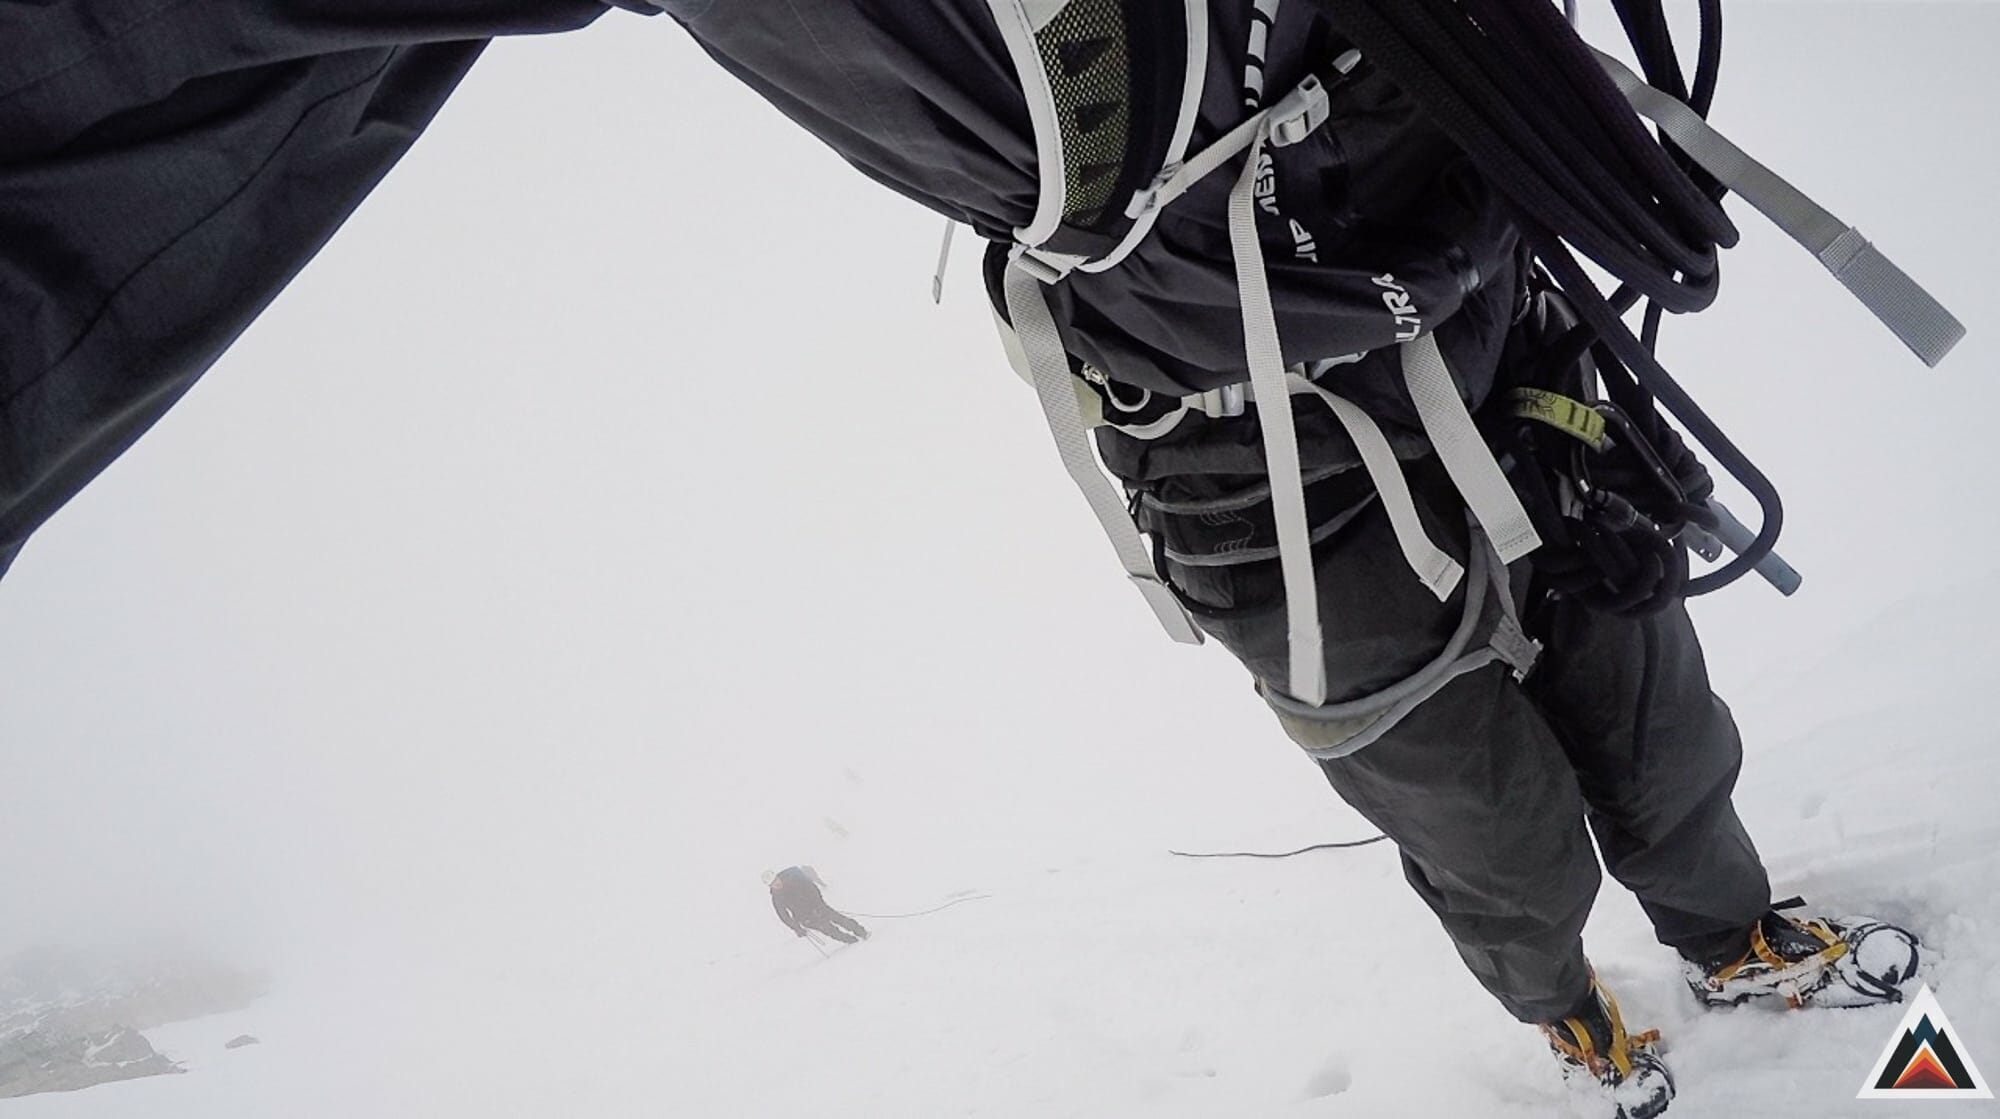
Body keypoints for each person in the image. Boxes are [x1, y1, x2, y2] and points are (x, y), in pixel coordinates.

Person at [2, 4, 1942, 1114]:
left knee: (1627, 658)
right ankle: (1561, 1003)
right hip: (1249, 426)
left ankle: (1722, 923)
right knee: (1468, 784)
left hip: (1466, 264)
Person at [764, 867, 869, 945]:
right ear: (770, 886)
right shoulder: (776, 898)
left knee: (839, 919)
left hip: (817, 906)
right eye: (772, 883)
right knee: (830, 930)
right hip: (805, 918)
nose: (776, 883)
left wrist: (818, 904)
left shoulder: (794, 880)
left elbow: (812, 889)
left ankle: (861, 932)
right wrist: (796, 928)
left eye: (776, 880)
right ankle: (851, 941)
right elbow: (783, 915)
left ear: (778, 877)